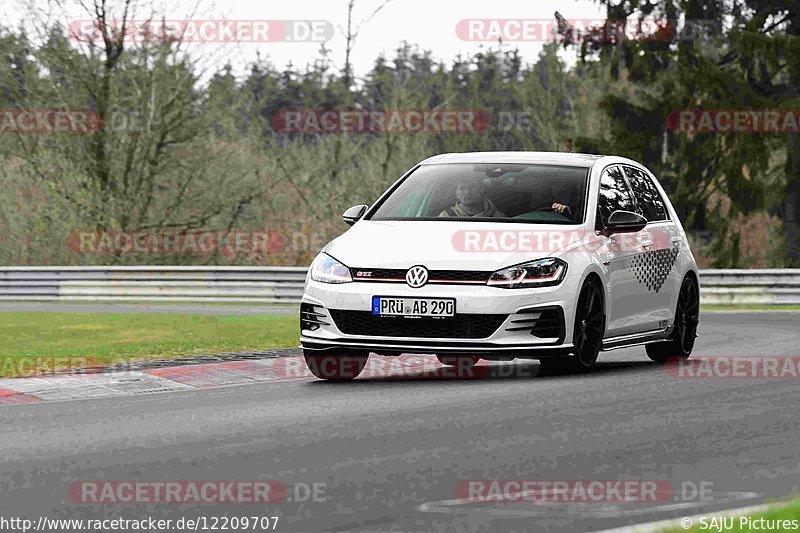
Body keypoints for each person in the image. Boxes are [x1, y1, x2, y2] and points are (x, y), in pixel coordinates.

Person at [439, 176, 572, 218]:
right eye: (462, 188)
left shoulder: (497, 216)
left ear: (482, 189)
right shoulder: (446, 216)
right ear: (456, 193)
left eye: (472, 187)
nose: (467, 192)